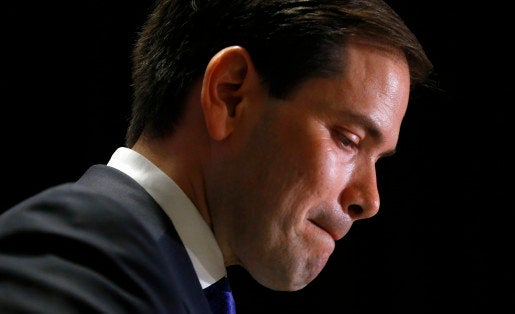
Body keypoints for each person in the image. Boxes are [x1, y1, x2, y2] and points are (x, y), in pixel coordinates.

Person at [0, 0, 434, 313]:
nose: (370, 200)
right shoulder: (78, 260)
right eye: (349, 140)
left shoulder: (162, 278)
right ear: (230, 96)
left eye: (379, 160)